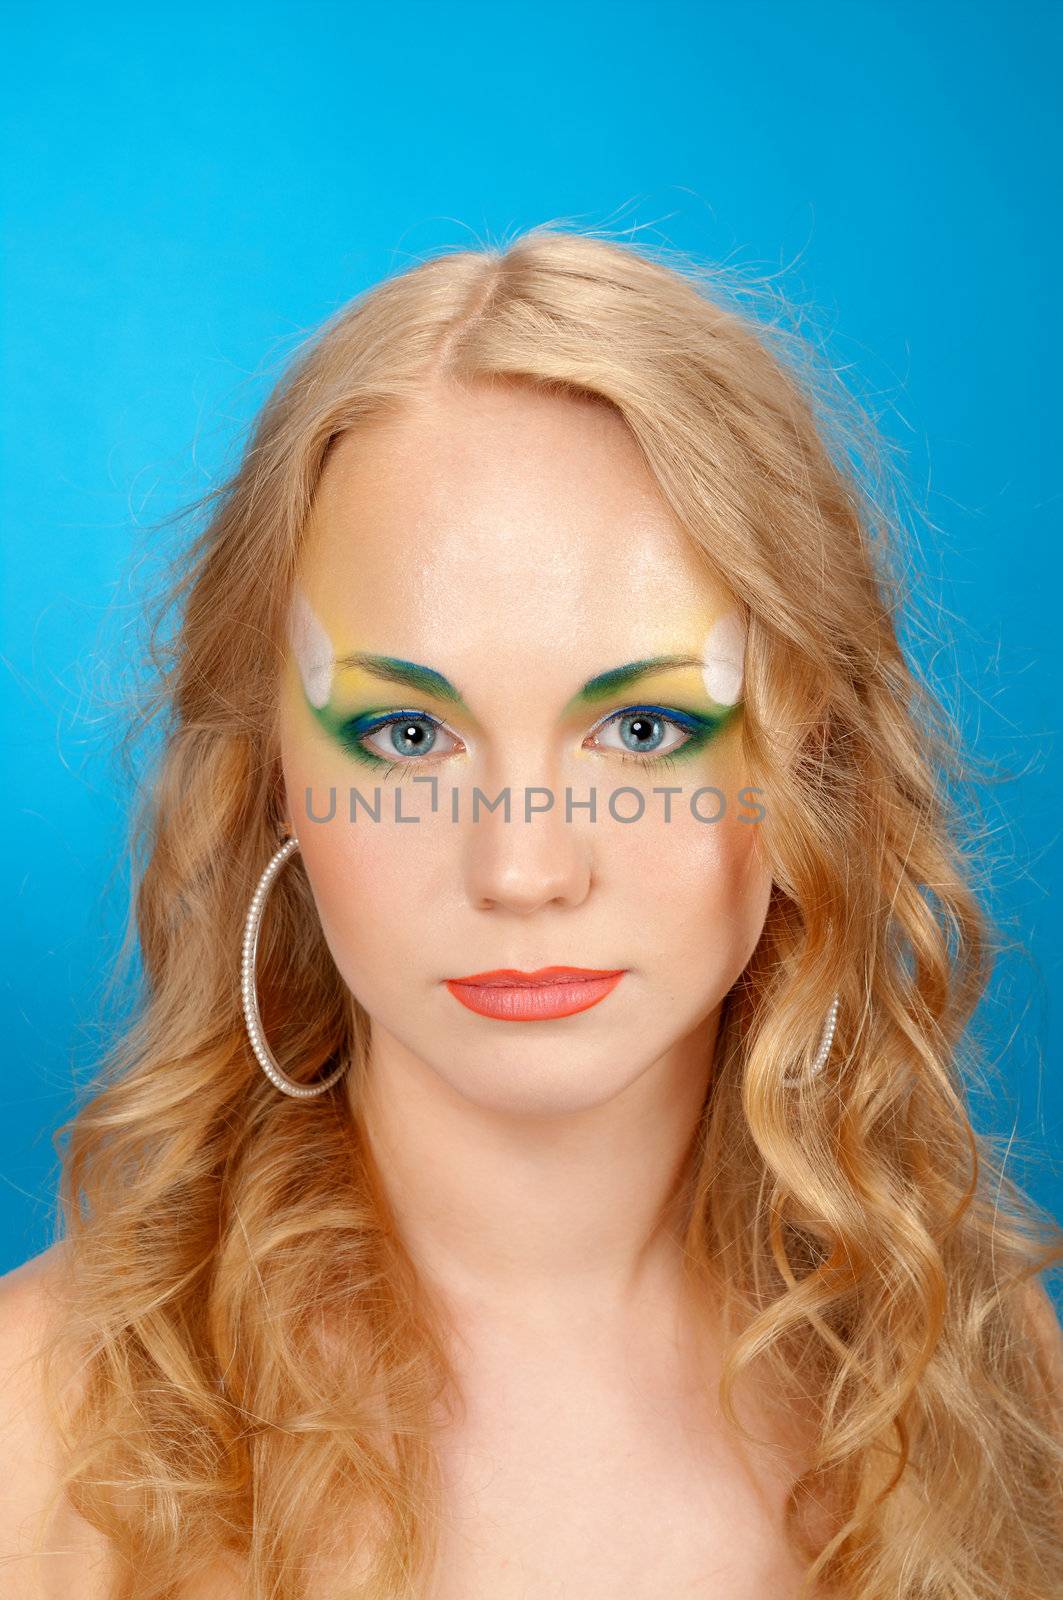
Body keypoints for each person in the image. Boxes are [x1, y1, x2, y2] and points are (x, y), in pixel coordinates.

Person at [1, 224, 1061, 1600]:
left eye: (641, 725)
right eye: (401, 734)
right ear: (270, 780)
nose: (523, 869)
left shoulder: (996, 1384)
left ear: (817, 758)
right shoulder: (34, 1436)